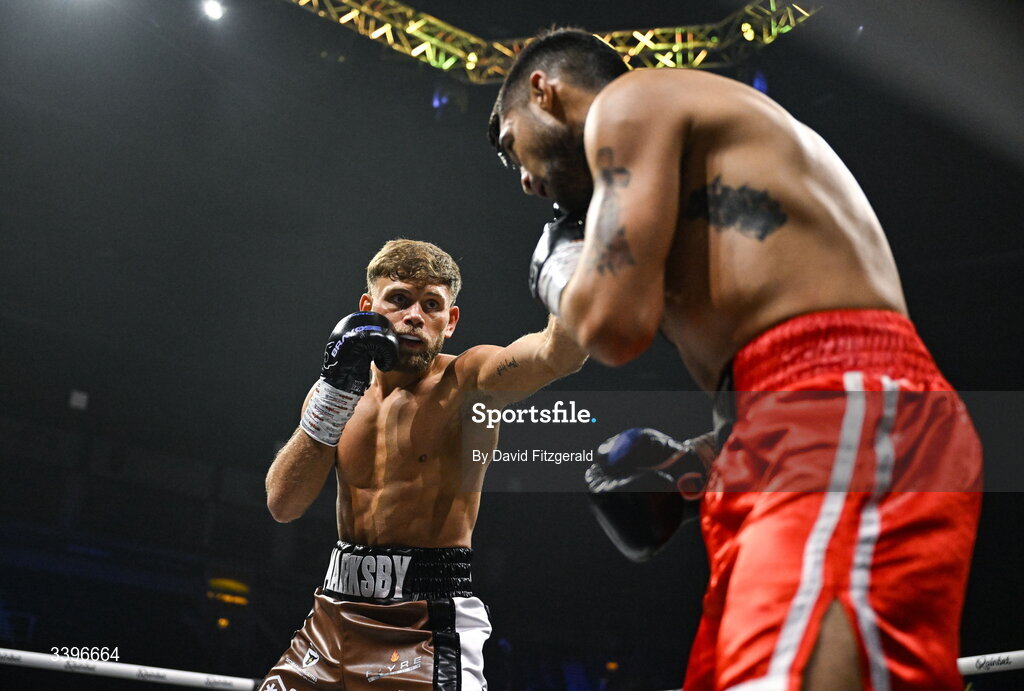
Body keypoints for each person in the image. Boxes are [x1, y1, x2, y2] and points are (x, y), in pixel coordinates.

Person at [488, 27, 982, 690]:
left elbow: (613, 325)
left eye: (509, 147)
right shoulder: (685, 171)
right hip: (790, 422)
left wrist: (556, 270)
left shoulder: (630, 101)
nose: (522, 181)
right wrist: (705, 456)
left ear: (544, 93)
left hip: (836, 407)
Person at [258, 239, 587, 691]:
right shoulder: (333, 394)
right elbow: (283, 504)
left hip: (424, 625)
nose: (415, 315)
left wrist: (571, 265)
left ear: (450, 321)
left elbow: (558, 353)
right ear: (367, 306)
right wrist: (334, 392)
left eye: (431, 304)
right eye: (399, 299)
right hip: (332, 616)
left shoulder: (468, 383)